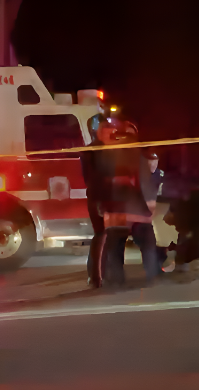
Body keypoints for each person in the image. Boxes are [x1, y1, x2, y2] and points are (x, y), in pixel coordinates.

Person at [94, 119, 161, 285]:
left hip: (115, 208)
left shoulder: (107, 152)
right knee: (147, 243)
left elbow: (99, 181)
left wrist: (102, 205)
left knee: (115, 245)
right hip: (137, 207)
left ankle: (116, 279)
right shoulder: (141, 153)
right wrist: (150, 204)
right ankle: (153, 276)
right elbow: (147, 180)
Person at [80, 114, 107, 287]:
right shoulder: (101, 150)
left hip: (94, 196)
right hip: (101, 197)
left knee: (100, 235)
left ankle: (95, 275)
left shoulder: (89, 150)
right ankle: (97, 278)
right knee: (102, 235)